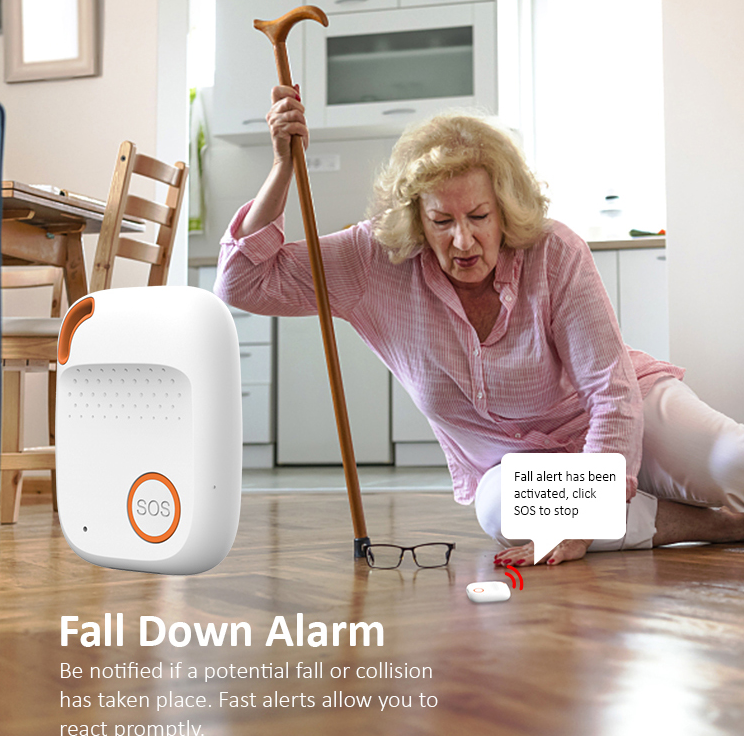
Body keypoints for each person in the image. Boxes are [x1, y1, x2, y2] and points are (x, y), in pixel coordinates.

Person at [214, 85, 744, 567]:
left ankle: (651, 502)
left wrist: (585, 514)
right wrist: (283, 167)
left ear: (504, 208)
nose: (463, 241)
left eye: (479, 217)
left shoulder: (554, 251)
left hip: (629, 417)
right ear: (417, 219)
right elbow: (242, 282)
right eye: (442, 221)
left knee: (733, 462)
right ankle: (716, 526)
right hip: (523, 465)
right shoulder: (376, 259)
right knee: (499, 509)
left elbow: (611, 391)